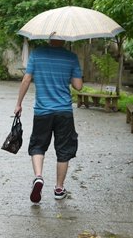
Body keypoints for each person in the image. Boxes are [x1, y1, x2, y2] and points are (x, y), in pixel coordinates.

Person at [14, 38, 83, 203]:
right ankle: (59, 188)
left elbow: (26, 79)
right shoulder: (71, 57)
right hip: (64, 112)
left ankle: (38, 177)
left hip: (42, 111)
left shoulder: (37, 54)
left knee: (38, 145)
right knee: (64, 149)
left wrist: (19, 104)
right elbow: (78, 86)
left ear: (49, 38)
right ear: (65, 39)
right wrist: (70, 73)